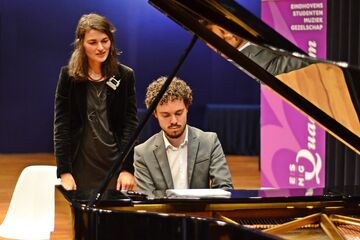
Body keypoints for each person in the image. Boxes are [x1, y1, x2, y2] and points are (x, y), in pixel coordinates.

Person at [54, 13, 138, 191]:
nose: (101, 47)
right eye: (93, 42)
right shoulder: (68, 77)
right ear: (81, 44)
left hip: (115, 169)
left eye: (105, 40)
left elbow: (130, 126)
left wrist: (127, 168)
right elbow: (61, 126)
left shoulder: (125, 76)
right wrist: (64, 172)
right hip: (81, 169)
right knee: (82, 219)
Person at [134, 76, 233, 196]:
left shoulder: (210, 142)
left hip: (201, 213)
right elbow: (147, 200)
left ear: (187, 108)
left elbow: (225, 189)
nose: (174, 121)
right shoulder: (143, 153)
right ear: (155, 113)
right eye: (166, 115)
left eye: (179, 113)